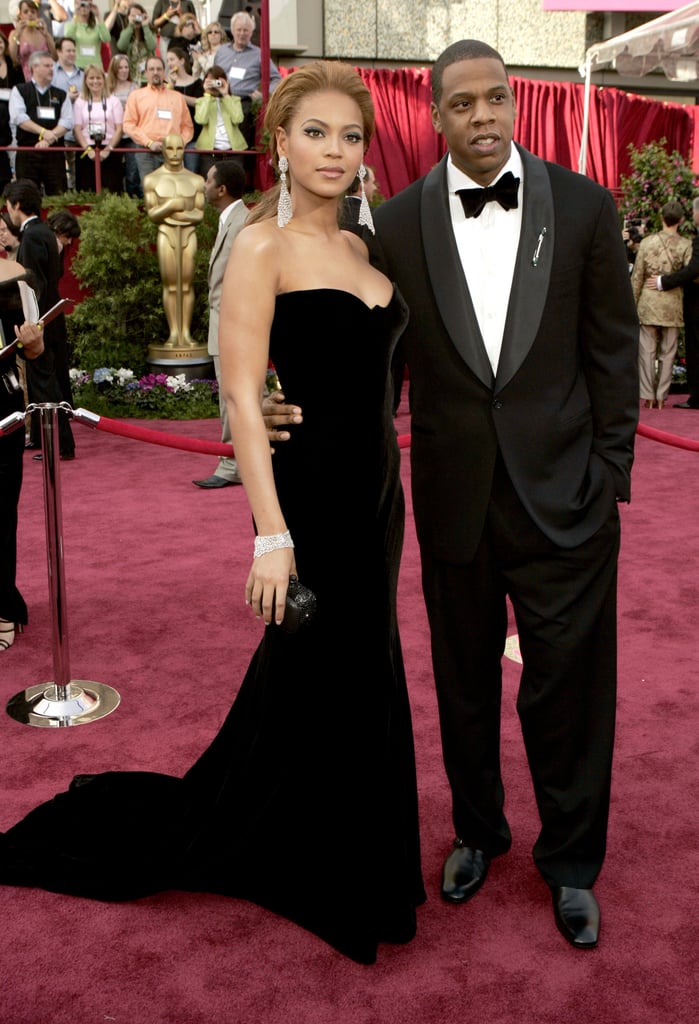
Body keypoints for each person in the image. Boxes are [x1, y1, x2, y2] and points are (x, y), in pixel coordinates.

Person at [0, 60, 425, 967]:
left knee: (351, 671)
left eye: (350, 135)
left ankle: (334, 841)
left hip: (378, 496)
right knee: (326, 666)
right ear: (278, 140)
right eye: (315, 131)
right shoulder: (261, 248)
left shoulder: (367, 247)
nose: (335, 151)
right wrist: (271, 538)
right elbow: (239, 391)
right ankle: (331, 863)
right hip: (308, 496)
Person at [279, 40, 639, 950]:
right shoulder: (394, 226)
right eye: (462, 105)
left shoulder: (587, 208)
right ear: (434, 117)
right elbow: (368, 359)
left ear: (512, 103)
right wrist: (292, 407)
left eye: (495, 100)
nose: (481, 118)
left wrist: (609, 477)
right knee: (465, 685)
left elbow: (610, 354)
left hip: (567, 503)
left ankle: (570, 863)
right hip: (454, 503)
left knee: (568, 692)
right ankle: (478, 832)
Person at [4, 178, 76, 460]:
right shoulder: (44, 232)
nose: (8, 212)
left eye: (8, 206)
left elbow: (33, 285)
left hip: (40, 322)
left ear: (17, 205)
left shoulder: (33, 236)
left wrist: (31, 324)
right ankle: (42, 440)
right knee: (44, 381)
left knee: (46, 384)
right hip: (49, 320)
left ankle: (61, 444)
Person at [192, 158, 247, 488]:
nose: (204, 185)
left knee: (234, 397)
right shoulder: (232, 220)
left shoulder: (242, 222)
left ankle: (232, 466)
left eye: (208, 181)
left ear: (221, 189)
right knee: (233, 397)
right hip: (226, 325)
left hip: (234, 327)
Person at [0, 261, 45, 654]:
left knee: (0, 510)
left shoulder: (15, 276)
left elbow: (36, 348)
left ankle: (2, 607)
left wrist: (31, 340)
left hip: (1, 403)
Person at [143, 132, 204, 348]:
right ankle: (173, 334)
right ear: (162, 150)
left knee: (186, 284)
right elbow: (153, 213)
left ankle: (185, 334)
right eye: (170, 148)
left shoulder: (196, 180)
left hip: (188, 234)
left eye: (179, 148)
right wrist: (171, 206)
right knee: (170, 284)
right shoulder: (152, 179)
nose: (175, 153)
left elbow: (199, 214)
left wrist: (180, 215)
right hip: (166, 234)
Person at [631, 200, 690, 410]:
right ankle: (661, 397)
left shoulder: (647, 243)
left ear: (661, 217)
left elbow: (637, 276)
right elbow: (689, 275)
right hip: (672, 303)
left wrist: (632, 302)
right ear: (681, 220)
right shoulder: (686, 245)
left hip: (648, 302)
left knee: (646, 350)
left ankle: (647, 396)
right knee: (668, 351)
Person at [646, 195, 699, 410]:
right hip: (681, 305)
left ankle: (695, 397)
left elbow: (694, 270)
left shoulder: (695, 240)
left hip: (693, 304)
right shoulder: (688, 242)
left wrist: (662, 281)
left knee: (693, 348)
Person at [213, 9, 280, 149]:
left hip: (243, 105)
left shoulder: (259, 54)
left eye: (246, 30)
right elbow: (213, 75)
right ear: (232, 30)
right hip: (219, 102)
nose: (242, 34)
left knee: (240, 148)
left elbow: (276, 78)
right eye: (239, 30)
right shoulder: (221, 51)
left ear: (251, 32)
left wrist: (264, 95)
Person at [122, 55, 194, 186]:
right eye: (152, 69)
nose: (155, 72)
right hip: (146, 151)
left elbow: (188, 127)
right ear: (146, 73)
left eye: (159, 69)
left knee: (173, 190)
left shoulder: (177, 97)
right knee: (151, 192)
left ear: (164, 72)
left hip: (172, 153)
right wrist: (149, 142)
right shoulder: (136, 96)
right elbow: (128, 124)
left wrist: (177, 144)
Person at [9, 49, 72, 195]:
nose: (52, 70)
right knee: (27, 195)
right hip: (28, 151)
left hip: (54, 153)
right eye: (47, 66)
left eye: (52, 66)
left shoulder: (61, 94)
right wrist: (43, 132)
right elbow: (19, 118)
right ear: (34, 68)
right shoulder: (20, 90)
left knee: (58, 194)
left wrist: (48, 140)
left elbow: (67, 121)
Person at [72, 62, 124, 192]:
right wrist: (87, 149)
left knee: (111, 189)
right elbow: (77, 128)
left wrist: (108, 149)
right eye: (91, 78)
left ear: (103, 79)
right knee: (86, 189)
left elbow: (119, 128)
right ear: (85, 81)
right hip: (87, 150)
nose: (95, 81)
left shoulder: (114, 101)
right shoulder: (80, 101)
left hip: (109, 149)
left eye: (98, 78)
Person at [193, 64, 246, 177]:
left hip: (233, 152)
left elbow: (238, 119)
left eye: (216, 82)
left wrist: (226, 94)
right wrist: (207, 95)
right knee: (211, 186)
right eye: (210, 81)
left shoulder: (234, 100)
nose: (214, 85)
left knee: (233, 185)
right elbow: (201, 120)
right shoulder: (202, 101)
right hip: (210, 153)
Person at [106, 51, 141, 195]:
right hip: (113, 133)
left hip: (130, 135)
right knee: (114, 171)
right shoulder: (108, 88)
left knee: (132, 171)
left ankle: (133, 198)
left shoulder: (135, 87)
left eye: (126, 67)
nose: (124, 70)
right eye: (120, 68)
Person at [51, 36, 83, 188]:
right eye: (68, 50)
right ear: (58, 52)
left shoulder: (83, 75)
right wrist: (66, 98)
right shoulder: (52, 74)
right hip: (58, 131)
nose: (72, 53)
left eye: (73, 50)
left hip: (79, 131)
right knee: (60, 172)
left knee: (78, 171)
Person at [165, 45, 203, 172]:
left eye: (172, 59)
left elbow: (200, 102)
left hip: (194, 133)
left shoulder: (197, 82)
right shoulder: (168, 84)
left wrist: (180, 96)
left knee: (191, 169)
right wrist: (171, 85)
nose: (169, 63)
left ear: (181, 61)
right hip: (174, 134)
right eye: (168, 61)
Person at [7, 0, 58, 81]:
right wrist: (17, 36)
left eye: (33, 12)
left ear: (37, 14)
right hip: (25, 79)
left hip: (46, 78)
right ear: (20, 15)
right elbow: (14, 59)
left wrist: (46, 34)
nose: (29, 14)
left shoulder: (43, 32)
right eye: (25, 12)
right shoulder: (14, 33)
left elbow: (55, 57)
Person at [0, 30, 24, 193]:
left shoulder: (13, 65)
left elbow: (22, 87)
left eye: (1, 42)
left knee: (15, 154)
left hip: (13, 114)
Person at [114, 2, 156, 85]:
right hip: (132, 77)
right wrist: (130, 26)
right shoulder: (126, 32)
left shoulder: (150, 31)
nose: (136, 18)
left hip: (147, 77)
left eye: (138, 15)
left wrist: (145, 26)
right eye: (133, 15)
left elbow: (152, 46)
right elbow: (121, 46)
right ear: (128, 17)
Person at [63, 1, 110, 70]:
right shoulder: (71, 25)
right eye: (82, 5)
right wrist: (75, 14)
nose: (84, 8)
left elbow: (106, 38)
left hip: (95, 67)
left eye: (87, 5)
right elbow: (68, 38)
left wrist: (98, 16)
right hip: (78, 66)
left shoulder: (97, 27)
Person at [341, 162, 376, 229]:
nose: (375, 187)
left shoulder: (333, 214)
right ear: (362, 184)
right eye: (373, 182)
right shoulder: (373, 216)